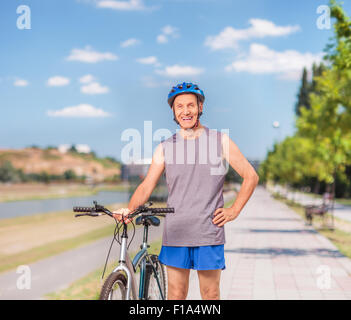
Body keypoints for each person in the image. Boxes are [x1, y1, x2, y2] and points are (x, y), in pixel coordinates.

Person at [113, 82, 259, 300]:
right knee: (176, 295)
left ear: (200, 107)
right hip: (176, 233)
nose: (185, 111)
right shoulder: (165, 147)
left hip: (208, 232)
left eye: (191, 105)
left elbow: (251, 176)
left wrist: (234, 210)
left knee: (210, 295)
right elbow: (146, 185)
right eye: (179, 106)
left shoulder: (220, 141)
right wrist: (130, 210)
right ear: (173, 111)